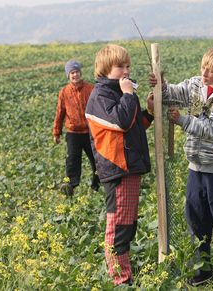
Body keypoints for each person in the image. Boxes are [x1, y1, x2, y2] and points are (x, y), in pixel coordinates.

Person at [149, 45, 213, 286]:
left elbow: (212, 129)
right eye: (204, 67)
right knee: (196, 220)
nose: (204, 73)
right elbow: (174, 94)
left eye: (211, 71)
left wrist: (182, 120)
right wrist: (160, 86)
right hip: (196, 166)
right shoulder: (196, 85)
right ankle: (202, 271)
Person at [85, 44, 154, 286]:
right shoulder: (101, 96)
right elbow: (122, 122)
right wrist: (128, 94)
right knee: (119, 226)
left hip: (128, 168)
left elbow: (133, 129)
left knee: (127, 223)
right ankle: (120, 280)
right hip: (117, 169)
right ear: (105, 69)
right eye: (120, 67)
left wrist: (150, 113)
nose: (126, 71)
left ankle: (124, 275)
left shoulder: (117, 93)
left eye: (128, 66)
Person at [53, 60, 99, 196]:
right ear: (68, 75)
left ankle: (97, 184)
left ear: (80, 73)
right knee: (72, 160)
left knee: (96, 158)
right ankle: (70, 186)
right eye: (72, 73)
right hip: (73, 132)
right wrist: (56, 132)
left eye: (77, 72)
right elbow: (60, 113)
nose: (75, 75)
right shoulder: (64, 92)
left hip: (90, 131)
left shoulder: (91, 89)